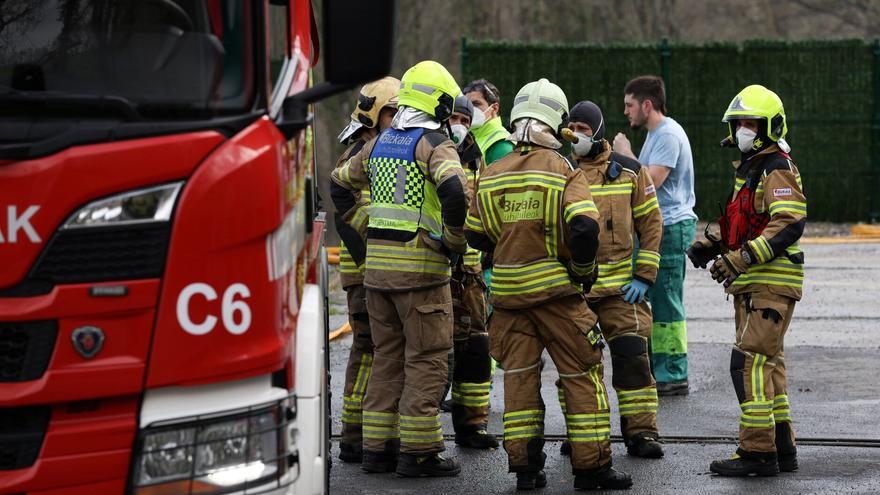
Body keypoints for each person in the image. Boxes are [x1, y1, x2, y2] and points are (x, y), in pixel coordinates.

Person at [465, 78, 632, 491]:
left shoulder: (493, 171)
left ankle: (526, 470)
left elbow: (474, 233)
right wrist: (581, 270)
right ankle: (591, 470)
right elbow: (584, 227)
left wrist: (505, 249)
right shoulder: (563, 169)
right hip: (559, 297)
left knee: (519, 381)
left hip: (507, 300)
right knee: (582, 374)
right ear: (557, 121)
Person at [330, 60, 468, 478]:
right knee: (427, 359)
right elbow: (455, 191)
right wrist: (453, 242)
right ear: (438, 102)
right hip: (422, 276)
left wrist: (364, 230)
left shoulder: (381, 142)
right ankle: (419, 452)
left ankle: (376, 449)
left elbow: (339, 184)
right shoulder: (434, 143)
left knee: (387, 358)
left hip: (377, 278)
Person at [688, 85, 805, 477]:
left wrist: (739, 259)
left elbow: (788, 222)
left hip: (771, 281)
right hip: (755, 284)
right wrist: (710, 244)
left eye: (750, 123)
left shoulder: (777, 168)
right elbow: (744, 223)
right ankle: (781, 446)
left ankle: (757, 453)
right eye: (738, 123)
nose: (742, 130)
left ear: (770, 127)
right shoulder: (752, 169)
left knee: (748, 363)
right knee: (769, 365)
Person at [557, 100, 664, 459]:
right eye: (572, 128)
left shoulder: (631, 171)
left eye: (583, 129)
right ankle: (583, 435)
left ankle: (642, 433)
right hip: (576, 292)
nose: (577, 135)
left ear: (598, 131)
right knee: (578, 366)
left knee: (634, 359)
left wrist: (644, 276)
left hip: (623, 292)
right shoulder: (561, 170)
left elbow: (651, 223)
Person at [612, 75, 697, 396]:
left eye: (630, 105)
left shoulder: (668, 136)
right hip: (658, 228)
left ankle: (674, 372)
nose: (626, 112)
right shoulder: (657, 134)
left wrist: (625, 152)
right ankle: (659, 368)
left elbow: (650, 184)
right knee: (654, 302)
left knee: (667, 303)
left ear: (647, 105)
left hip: (671, 229)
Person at [335, 76, 400, 464]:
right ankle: (355, 435)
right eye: (394, 111)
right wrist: (371, 256)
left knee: (377, 351)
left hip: (374, 269)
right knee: (368, 350)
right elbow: (347, 215)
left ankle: (361, 434)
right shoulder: (360, 152)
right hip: (365, 273)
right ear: (377, 115)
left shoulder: (375, 147)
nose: (400, 119)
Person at [435, 95, 499, 449]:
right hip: (438, 271)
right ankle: (419, 432)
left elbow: (483, 206)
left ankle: (472, 426)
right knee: (435, 351)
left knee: (476, 348)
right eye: (454, 117)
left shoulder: (477, 156)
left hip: (471, 274)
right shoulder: (432, 150)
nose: (459, 123)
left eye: (465, 117)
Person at [463, 78, 515, 165]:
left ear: (494, 108)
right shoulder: (467, 138)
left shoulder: (502, 145)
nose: (470, 109)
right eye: (467, 105)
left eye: (476, 104)